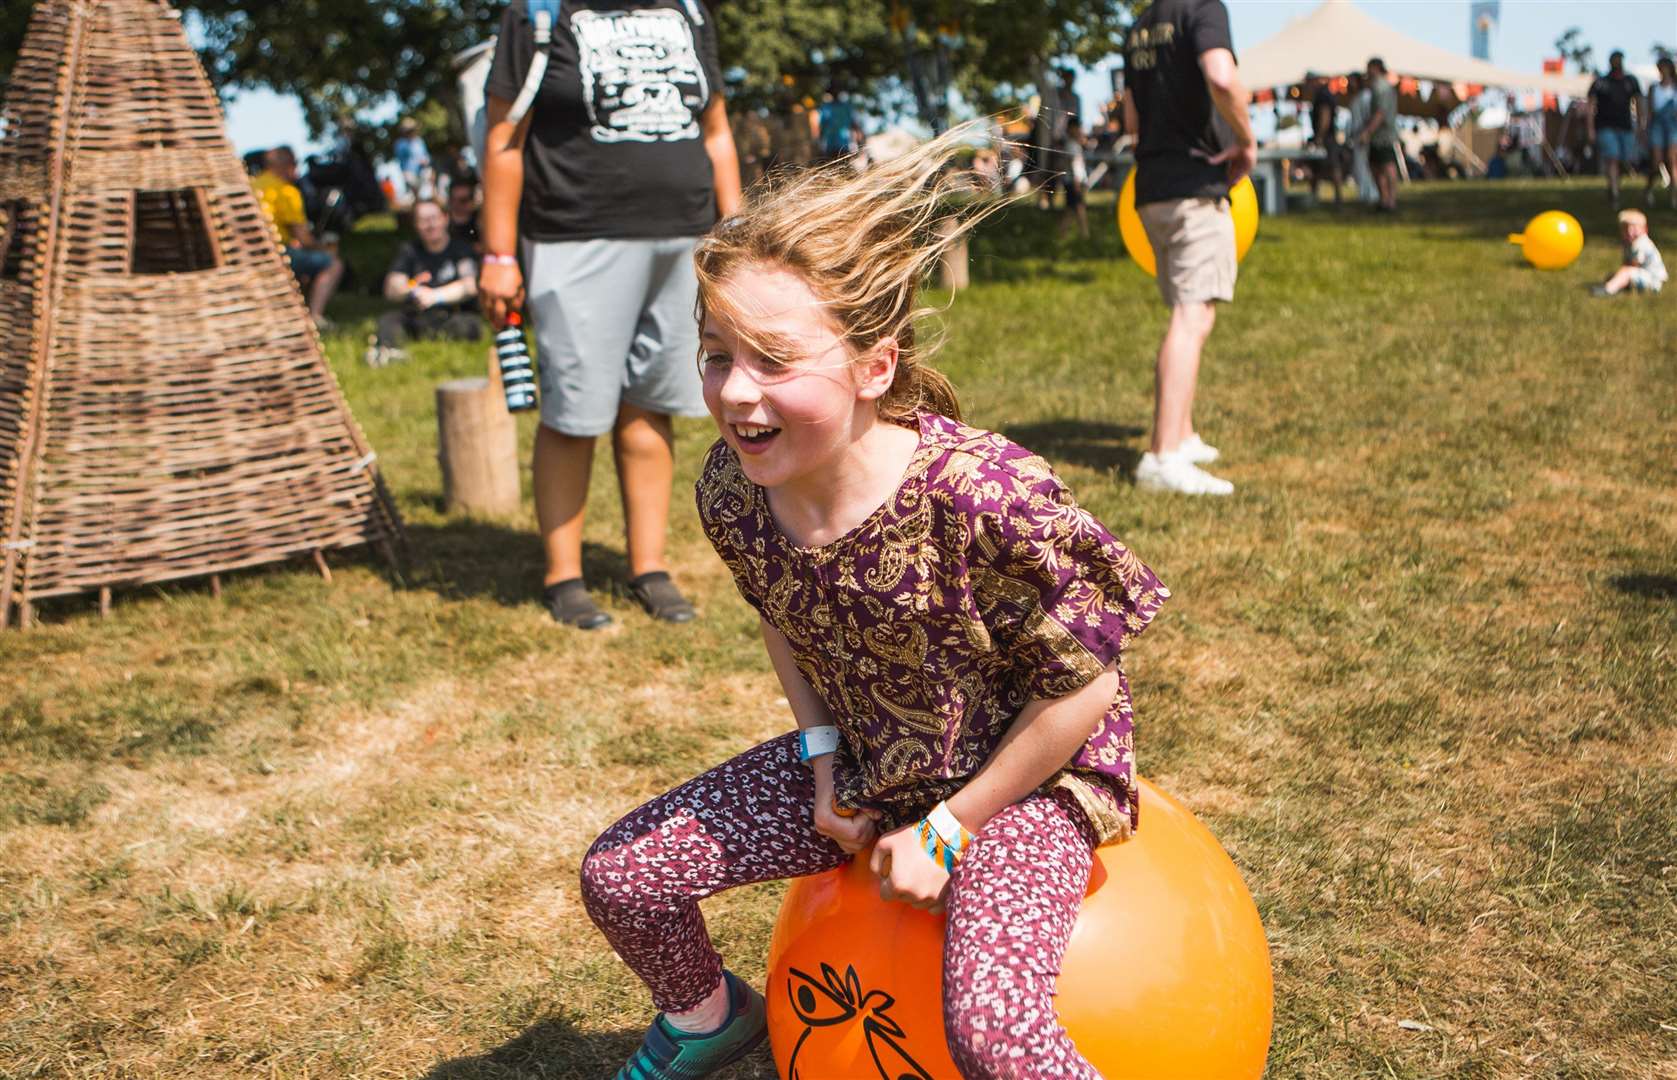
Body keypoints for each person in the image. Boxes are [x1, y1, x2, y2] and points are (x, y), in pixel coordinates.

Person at [579, 128, 1168, 1080]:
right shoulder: (734, 489)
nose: (734, 392)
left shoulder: (987, 495)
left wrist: (951, 825)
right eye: (716, 354)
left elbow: (1084, 689)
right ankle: (709, 1018)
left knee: (993, 1033)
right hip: (873, 753)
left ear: (875, 367)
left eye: (773, 359)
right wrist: (822, 762)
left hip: (1027, 776)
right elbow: (782, 614)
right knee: (623, 879)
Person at [479, 0, 741, 629]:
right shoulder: (537, 16)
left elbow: (718, 132)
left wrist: (737, 236)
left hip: (683, 239)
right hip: (575, 238)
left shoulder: (689, 12)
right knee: (574, 412)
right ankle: (564, 578)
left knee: (652, 403)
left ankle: (648, 568)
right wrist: (497, 253)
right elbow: (503, 140)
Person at [1122, 0, 1255, 496]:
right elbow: (1222, 78)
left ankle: (1181, 433)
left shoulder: (1139, 26)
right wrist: (1246, 140)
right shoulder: (1203, 8)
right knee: (1189, 315)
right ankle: (1162, 458)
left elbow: (1133, 119)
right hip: (1193, 185)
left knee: (1196, 315)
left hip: (1151, 189)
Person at [365, 199, 481, 367]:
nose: (430, 225)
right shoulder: (410, 251)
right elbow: (391, 288)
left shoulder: (461, 249)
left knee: (469, 325)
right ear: (416, 225)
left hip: (452, 314)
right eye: (423, 220)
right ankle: (390, 353)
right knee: (389, 320)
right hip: (418, 315)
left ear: (445, 218)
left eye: (434, 218)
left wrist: (436, 296)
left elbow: (470, 286)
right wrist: (412, 288)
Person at [252, 145, 344, 331]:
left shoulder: (250, 186)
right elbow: (305, 239)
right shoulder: (286, 191)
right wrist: (324, 247)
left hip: (249, 254)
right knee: (333, 264)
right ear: (287, 165)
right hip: (275, 255)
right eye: (295, 164)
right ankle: (315, 316)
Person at [1588, 51, 1643, 211]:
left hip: (1625, 127)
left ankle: (1614, 185)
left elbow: (1639, 102)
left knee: (1623, 160)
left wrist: (1641, 124)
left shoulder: (1630, 81)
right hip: (1605, 127)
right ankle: (1614, 192)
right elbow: (1591, 105)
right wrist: (1590, 129)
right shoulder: (1601, 82)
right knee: (1612, 158)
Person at [1356, 58, 1400, 213]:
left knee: (1386, 166)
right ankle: (1385, 199)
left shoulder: (1382, 87)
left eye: (1369, 68)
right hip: (1379, 134)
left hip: (1383, 134)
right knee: (1376, 166)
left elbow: (1380, 113)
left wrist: (1367, 131)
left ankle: (1390, 200)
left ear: (1376, 68)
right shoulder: (1379, 86)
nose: (1367, 72)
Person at [1591, 208, 1667, 297]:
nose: (1629, 231)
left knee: (1625, 272)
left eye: (1634, 228)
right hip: (1642, 275)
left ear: (1645, 229)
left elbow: (1633, 265)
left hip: (1653, 281)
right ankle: (1618, 286)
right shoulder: (1629, 244)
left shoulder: (1641, 243)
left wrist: (1623, 273)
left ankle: (1608, 290)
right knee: (1616, 275)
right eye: (1625, 228)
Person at [1644, 57, 1677, 211]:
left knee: (1672, 161)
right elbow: (1650, 111)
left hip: (1672, 126)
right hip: (1657, 125)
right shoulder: (1654, 88)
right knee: (1656, 161)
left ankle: (1673, 196)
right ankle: (1649, 189)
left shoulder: (1675, 88)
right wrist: (1645, 129)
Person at [1307, 73, 1343, 206]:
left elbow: (1325, 116)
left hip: (1326, 137)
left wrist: (1319, 137)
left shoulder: (1323, 95)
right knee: (1318, 167)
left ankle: (1337, 197)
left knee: (1332, 167)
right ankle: (1314, 196)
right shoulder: (1324, 94)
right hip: (1327, 136)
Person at [1059, 115, 1091, 240]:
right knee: (1078, 208)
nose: (1080, 130)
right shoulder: (1072, 146)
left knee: (1072, 209)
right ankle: (1084, 234)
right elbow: (1074, 165)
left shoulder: (1073, 144)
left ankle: (1064, 234)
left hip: (1072, 181)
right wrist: (1077, 182)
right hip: (1073, 182)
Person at [394, 117, 433, 203]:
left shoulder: (419, 141)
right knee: (415, 196)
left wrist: (426, 161)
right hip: (410, 173)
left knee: (426, 193)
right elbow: (401, 160)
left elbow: (426, 155)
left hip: (422, 171)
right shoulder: (400, 144)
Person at [445, 178, 482, 250]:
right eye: (452, 199)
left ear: (472, 201)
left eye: (463, 200)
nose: (456, 204)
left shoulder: (481, 221)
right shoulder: (442, 223)